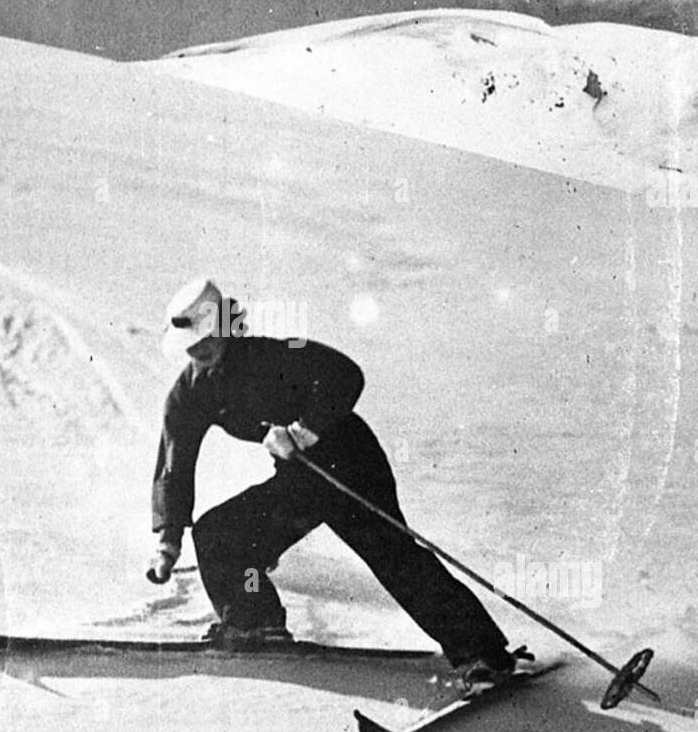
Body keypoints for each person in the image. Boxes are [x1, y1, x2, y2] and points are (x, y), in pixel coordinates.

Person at [146, 276, 518, 688]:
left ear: (227, 327)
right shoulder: (189, 394)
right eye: (192, 346)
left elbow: (344, 373)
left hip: (349, 462)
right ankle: (255, 623)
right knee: (221, 534)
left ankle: (482, 653)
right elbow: (174, 463)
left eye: (208, 339)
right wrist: (169, 537)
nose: (201, 351)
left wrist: (305, 430)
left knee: (392, 554)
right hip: (302, 481)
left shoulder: (277, 353)